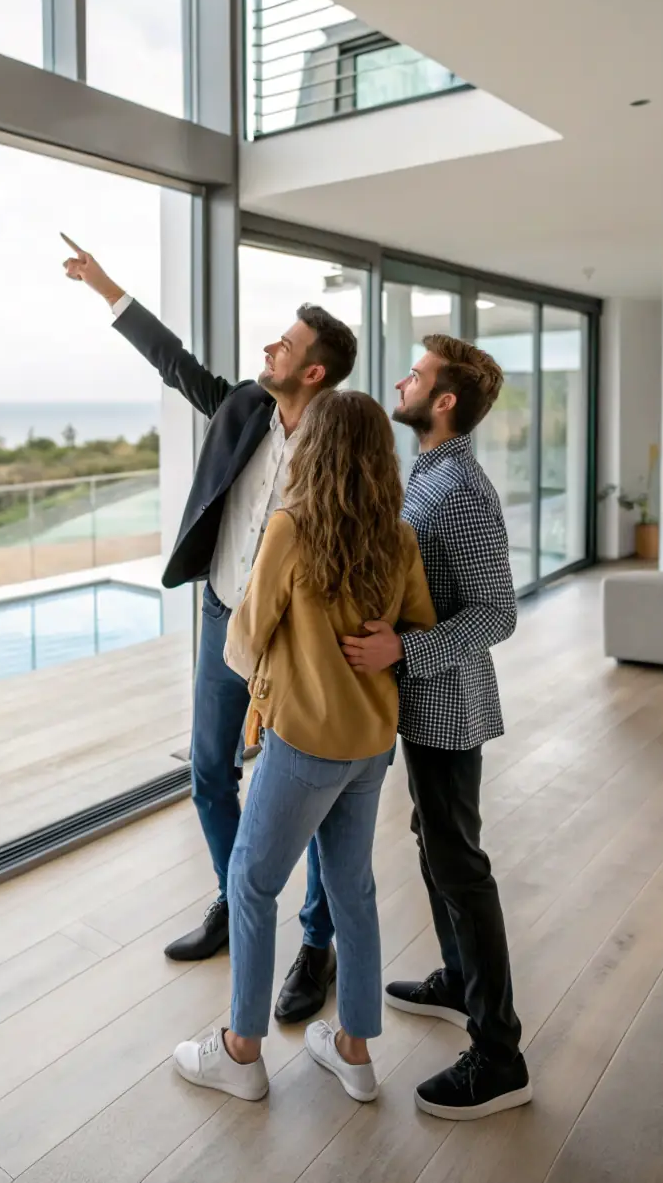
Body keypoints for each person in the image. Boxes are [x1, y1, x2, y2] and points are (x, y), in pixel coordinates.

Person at [61, 234, 357, 961]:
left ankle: (316, 943)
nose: (270, 349)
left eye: (284, 346)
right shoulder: (241, 408)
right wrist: (106, 286)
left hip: (295, 638)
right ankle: (236, 901)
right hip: (224, 615)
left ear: (313, 371)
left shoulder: (342, 448)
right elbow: (174, 363)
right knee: (207, 772)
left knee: (312, 796)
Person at [279, 333, 533, 1121]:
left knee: (461, 863)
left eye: (417, 374)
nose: (403, 379)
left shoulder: (461, 487)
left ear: (444, 400)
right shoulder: (426, 475)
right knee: (433, 843)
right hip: (416, 707)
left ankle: (499, 1054)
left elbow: (499, 611)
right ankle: (458, 980)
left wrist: (403, 647)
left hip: (448, 707)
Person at [172, 390, 436, 1102]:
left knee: (251, 882)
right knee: (353, 889)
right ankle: (354, 1050)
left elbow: (244, 635)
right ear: (379, 457)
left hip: (304, 744)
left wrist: (268, 667)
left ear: (316, 451)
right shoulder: (400, 536)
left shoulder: (291, 528)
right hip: (370, 745)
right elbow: (413, 631)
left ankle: (240, 1051)